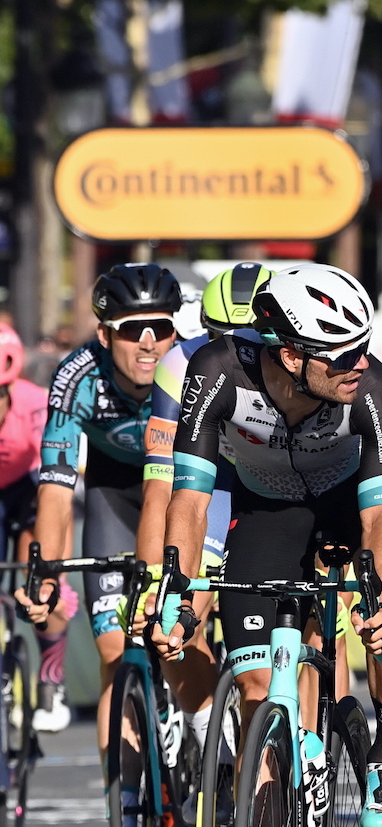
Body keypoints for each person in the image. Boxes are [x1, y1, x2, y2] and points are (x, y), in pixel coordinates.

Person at [149, 264, 382, 827]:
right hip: (269, 511)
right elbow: (191, 501)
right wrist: (175, 596)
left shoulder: (374, 389)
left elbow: (380, 518)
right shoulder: (216, 371)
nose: (361, 363)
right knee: (256, 684)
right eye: (343, 355)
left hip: (359, 502)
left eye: (364, 347)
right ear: (292, 355)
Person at [17, 263, 180, 749]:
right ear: (105, 337)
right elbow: (56, 488)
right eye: (133, 329)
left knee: (182, 640)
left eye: (162, 328)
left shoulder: (196, 366)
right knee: (117, 651)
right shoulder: (77, 376)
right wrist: (47, 574)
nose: (149, 343)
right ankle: (127, 806)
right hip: (114, 492)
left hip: (183, 494)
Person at [134, 262, 273, 775]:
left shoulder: (298, 364)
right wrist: (156, 580)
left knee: (321, 633)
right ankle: (211, 741)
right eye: (220, 336)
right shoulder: (179, 365)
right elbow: (162, 487)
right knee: (177, 614)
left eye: (252, 336)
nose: (235, 350)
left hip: (278, 485)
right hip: (212, 485)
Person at [0, 323, 47, 567]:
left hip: (23, 482)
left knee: (48, 502)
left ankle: (50, 586)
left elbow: (52, 463)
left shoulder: (34, 403)